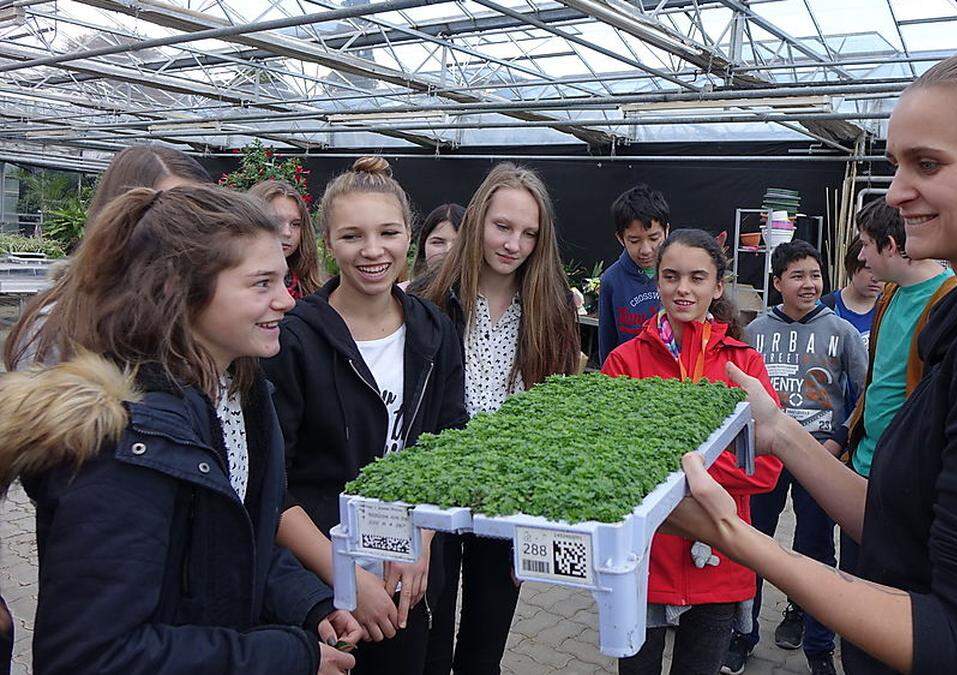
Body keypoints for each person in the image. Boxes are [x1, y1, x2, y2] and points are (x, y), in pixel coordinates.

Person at [664, 47, 957, 674]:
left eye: (928, 163)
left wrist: (731, 535)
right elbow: (904, 526)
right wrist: (779, 430)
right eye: (896, 164)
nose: (897, 192)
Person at [2, 185, 362, 674]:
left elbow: (234, 549)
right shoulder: (127, 438)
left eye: (282, 279)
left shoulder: (242, 393)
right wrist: (286, 656)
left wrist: (309, 604)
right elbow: (91, 655)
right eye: (261, 284)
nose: (286, 301)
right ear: (182, 292)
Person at [264, 157, 467, 674]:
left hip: (410, 576)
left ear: (408, 237)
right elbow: (271, 484)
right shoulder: (293, 339)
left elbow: (450, 447)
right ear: (327, 242)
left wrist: (421, 542)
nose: (373, 251)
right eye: (352, 236)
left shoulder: (434, 330)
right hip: (321, 583)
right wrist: (346, 577)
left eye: (388, 233)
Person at [415, 162, 580, 675]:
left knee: (485, 644)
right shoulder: (428, 299)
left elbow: (553, 415)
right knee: (427, 642)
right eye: (503, 227)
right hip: (434, 497)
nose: (513, 244)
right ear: (479, 220)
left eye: (529, 233)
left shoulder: (550, 307)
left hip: (506, 500)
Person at [601, 228, 782, 675]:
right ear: (657, 282)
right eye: (671, 276)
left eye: (697, 278)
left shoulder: (744, 365)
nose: (683, 289)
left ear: (718, 287)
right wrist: (710, 466)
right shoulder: (625, 363)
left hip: (721, 558)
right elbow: (612, 468)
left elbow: (768, 468)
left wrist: (680, 465)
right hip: (644, 561)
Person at [725, 240, 866, 675]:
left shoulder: (840, 331)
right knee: (753, 544)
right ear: (777, 283)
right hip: (764, 458)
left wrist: (838, 444)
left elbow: (863, 394)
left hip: (820, 457)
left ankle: (818, 646)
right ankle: (742, 634)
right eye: (798, 276)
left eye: (815, 276)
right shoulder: (755, 331)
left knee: (816, 551)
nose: (809, 285)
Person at [826, 197, 955, 575]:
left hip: (905, 482)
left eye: (866, 244)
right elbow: (877, 382)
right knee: (853, 584)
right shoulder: (890, 295)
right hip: (864, 468)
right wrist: (846, 434)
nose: (862, 256)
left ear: (891, 246)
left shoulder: (947, 301)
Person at [4, 144, 212, 370]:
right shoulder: (59, 325)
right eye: (171, 210)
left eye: (200, 212)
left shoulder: (201, 306)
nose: (191, 228)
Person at [598, 184, 671, 365]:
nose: (645, 250)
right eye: (634, 240)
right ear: (620, 238)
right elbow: (607, 343)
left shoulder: (680, 275)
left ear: (667, 231)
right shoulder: (611, 280)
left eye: (654, 238)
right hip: (628, 380)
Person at [248, 180, 322, 299]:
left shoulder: (316, 291)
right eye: (276, 222)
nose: (287, 233)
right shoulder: (231, 283)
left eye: (295, 224)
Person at [819, 237, 881, 349]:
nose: (876, 278)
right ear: (851, 266)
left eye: (882, 269)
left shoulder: (890, 308)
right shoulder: (824, 308)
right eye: (869, 269)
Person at [405, 202, 465, 287]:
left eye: (459, 243)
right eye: (438, 242)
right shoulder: (401, 296)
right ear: (423, 246)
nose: (448, 250)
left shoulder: (487, 296)